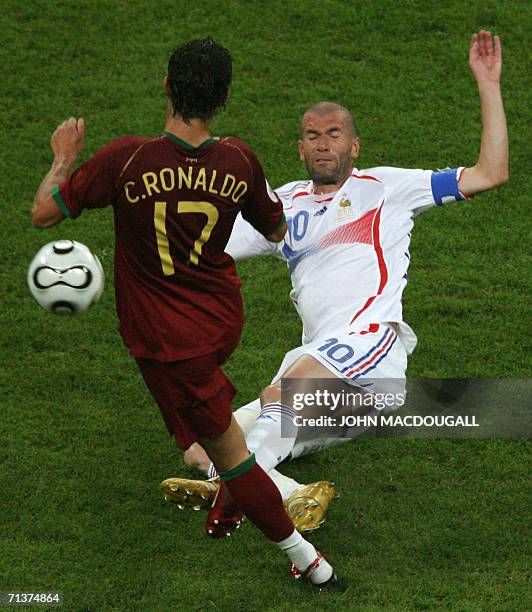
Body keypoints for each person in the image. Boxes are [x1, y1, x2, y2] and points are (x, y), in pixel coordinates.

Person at [162, 31, 508, 533]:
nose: (324, 145)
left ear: (354, 144)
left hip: (374, 350)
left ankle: (232, 491)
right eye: (312, 136)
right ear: (299, 147)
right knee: (202, 445)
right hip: (345, 398)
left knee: (290, 386)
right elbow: (202, 247)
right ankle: (286, 494)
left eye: (334, 134)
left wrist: (488, 84)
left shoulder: (387, 188)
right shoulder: (282, 207)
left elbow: (491, 173)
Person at [31, 38, 337, 588]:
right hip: (221, 320)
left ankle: (308, 561)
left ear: (167, 87)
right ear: (222, 99)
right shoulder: (239, 159)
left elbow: (45, 213)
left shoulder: (125, 158)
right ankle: (219, 465)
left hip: (168, 340)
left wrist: (63, 157)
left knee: (226, 454)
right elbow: (274, 230)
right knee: (191, 417)